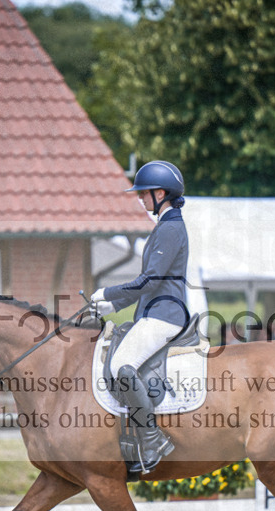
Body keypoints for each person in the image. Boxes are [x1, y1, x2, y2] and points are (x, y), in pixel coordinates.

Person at [91, 160, 189, 473]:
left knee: (122, 365)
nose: (141, 199)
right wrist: (114, 307)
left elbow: (151, 280)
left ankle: (152, 438)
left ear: (161, 193)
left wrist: (108, 292)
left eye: (144, 193)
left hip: (166, 314)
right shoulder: (164, 226)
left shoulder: (171, 228)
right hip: (153, 311)